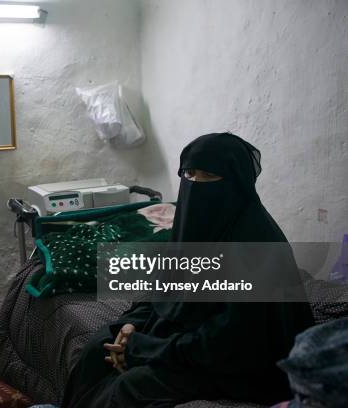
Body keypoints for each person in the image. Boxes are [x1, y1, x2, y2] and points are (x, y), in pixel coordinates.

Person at [61, 133, 315, 407]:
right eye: (189, 174)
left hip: (243, 362)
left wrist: (142, 349)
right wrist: (131, 326)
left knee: (132, 385)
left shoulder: (255, 245)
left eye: (208, 175)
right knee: (97, 348)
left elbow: (231, 341)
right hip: (192, 337)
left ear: (235, 184)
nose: (195, 184)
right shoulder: (195, 229)